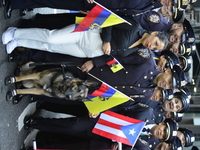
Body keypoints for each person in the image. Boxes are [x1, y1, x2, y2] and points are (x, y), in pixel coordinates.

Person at [2, 17, 169, 57]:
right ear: (154, 33)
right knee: (51, 37)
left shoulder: (138, 49)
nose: (151, 47)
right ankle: (15, 32)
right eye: (155, 43)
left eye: (155, 48)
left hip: (89, 52)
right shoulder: (135, 27)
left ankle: (18, 41)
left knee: (50, 47)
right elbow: (109, 21)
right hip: (88, 34)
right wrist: (107, 40)